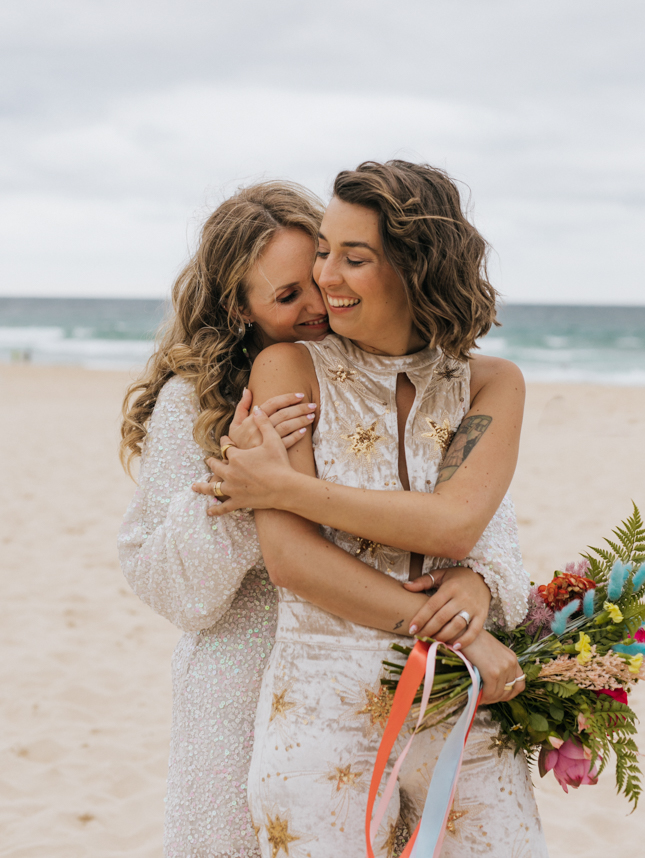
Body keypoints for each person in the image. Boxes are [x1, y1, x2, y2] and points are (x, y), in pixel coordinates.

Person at [118, 180, 500, 858]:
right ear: (240, 306)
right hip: (240, 679)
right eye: (287, 295)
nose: (320, 304)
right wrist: (241, 491)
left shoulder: (391, 377)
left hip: (380, 674)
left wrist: (484, 586)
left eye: (321, 272)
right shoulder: (191, 403)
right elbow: (174, 593)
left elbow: (472, 520)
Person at [203, 161, 548, 857]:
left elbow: (456, 524)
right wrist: (458, 634)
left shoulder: (492, 385)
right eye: (324, 250)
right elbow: (291, 560)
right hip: (321, 711)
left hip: (464, 711)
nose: (326, 276)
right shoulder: (289, 368)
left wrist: (284, 488)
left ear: (417, 267)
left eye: (353, 258)